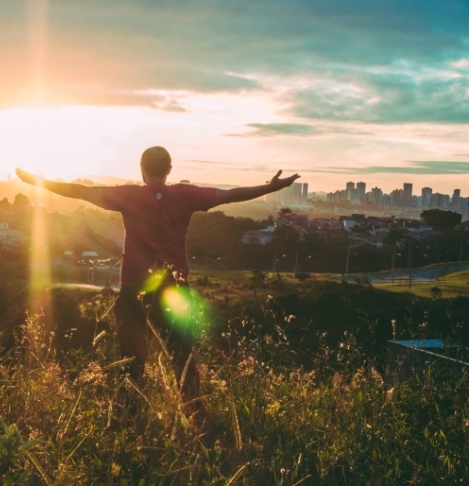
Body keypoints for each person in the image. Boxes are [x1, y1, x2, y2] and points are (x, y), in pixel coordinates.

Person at [16, 146, 299, 410]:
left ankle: (129, 415)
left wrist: (38, 182)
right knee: (182, 354)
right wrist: (271, 187)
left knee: (132, 359)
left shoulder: (129, 196)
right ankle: (194, 414)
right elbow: (231, 194)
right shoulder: (186, 196)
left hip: (133, 288)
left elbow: (79, 191)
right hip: (173, 288)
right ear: (170, 169)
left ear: (142, 169)